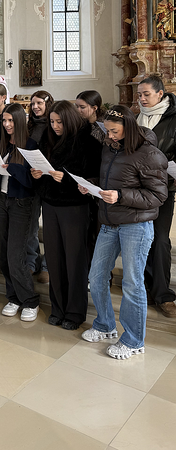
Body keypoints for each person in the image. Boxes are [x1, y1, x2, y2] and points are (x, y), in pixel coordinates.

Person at [82, 106, 168, 360]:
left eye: (114, 131)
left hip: (136, 226)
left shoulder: (150, 154)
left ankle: (133, 340)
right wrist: (92, 186)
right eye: (107, 131)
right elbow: (111, 181)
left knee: (132, 284)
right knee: (96, 276)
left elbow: (158, 196)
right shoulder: (110, 148)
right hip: (109, 223)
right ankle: (105, 325)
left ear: (128, 128)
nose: (109, 136)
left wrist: (120, 196)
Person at [31, 101, 102, 330]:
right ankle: (58, 308)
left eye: (59, 122)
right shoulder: (47, 139)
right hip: (50, 204)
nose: (55, 126)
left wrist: (68, 180)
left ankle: (74, 311)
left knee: (74, 261)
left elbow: (94, 178)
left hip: (75, 207)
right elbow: (41, 167)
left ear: (70, 120)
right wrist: (37, 174)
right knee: (54, 259)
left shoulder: (88, 142)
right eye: (52, 122)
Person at [0, 104, 40, 321]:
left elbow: (31, 181)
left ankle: (30, 300)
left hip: (21, 203)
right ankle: (14, 297)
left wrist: (12, 167)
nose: (7, 124)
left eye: (11, 120)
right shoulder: (2, 144)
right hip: (0, 201)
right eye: (4, 120)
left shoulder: (30, 145)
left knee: (15, 255)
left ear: (19, 121)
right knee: (1, 252)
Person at [136, 75, 176, 318]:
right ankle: (145, 286)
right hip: (138, 189)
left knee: (160, 239)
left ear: (160, 94)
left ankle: (163, 294)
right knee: (142, 238)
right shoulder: (135, 117)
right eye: (139, 94)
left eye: (146, 94)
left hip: (163, 188)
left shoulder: (174, 118)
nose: (141, 98)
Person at [27, 89, 54, 284]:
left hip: (51, 180)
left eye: (39, 103)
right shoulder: (29, 125)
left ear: (48, 104)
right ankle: (32, 261)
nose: (35, 107)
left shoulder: (54, 124)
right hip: (33, 179)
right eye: (33, 103)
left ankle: (47, 266)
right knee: (31, 225)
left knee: (51, 228)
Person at [76, 90, 106, 267]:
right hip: (83, 182)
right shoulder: (79, 126)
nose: (78, 110)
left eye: (82, 107)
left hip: (99, 181)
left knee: (98, 231)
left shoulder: (103, 129)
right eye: (76, 106)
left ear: (94, 108)